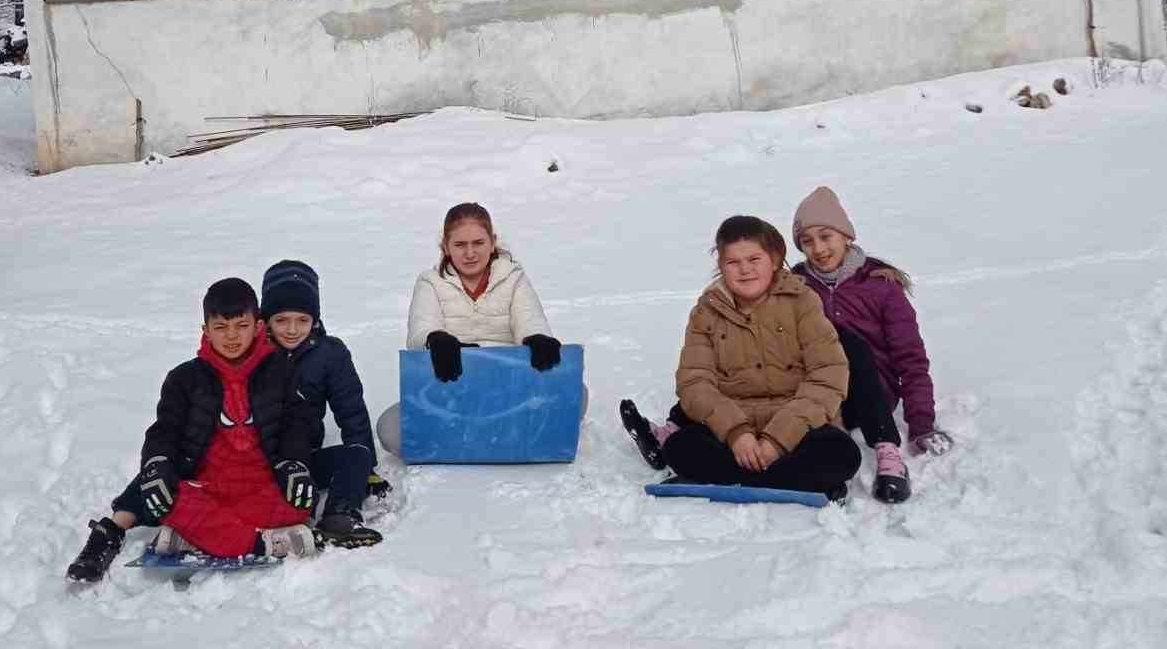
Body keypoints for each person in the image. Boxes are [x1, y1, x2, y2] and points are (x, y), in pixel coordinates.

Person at [65, 277, 322, 583]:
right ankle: (261, 543)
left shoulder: (280, 371)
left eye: (241, 326)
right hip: (208, 487)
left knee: (301, 503)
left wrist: (293, 463)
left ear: (258, 327)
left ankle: (195, 536)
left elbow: (295, 424)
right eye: (220, 327)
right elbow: (165, 430)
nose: (231, 336)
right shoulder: (184, 378)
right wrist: (157, 463)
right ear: (206, 331)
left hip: (260, 484)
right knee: (167, 498)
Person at [624, 216, 861, 502]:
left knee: (841, 454)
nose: (745, 269)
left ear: (774, 260)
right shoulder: (706, 312)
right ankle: (791, 480)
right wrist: (736, 434)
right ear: (721, 266)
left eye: (754, 259)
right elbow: (694, 382)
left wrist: (777, 440)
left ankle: (734, 477)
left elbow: (828, 374)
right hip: (731, 435)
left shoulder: (803, 301)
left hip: (796, 431)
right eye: (733, 262)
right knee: (680, 447)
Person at [376, 201, 565, 455]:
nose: (470, 253)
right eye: (460, 244)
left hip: (508, 388)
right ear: (445, 246)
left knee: (575, 393)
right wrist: (435, 338)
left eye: (478, 243)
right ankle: (493, 434)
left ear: (492, 241)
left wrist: (537, 337)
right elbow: (420, 328)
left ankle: (486, 433)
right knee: (389, 429)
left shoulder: (514, 278)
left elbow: (530, 318)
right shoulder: (430, 282)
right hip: (452, 389)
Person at [790, 187, 951, 483]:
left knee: (846, 343)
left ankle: (884, 451)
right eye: (807, 241)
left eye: (826, 236)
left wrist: (920, 423)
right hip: (816, 391)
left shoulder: (881, 286)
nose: (818, 248)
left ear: (846, 236)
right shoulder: (794, 286)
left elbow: (910, 358)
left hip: (871, 396)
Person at [258, 258, 385, 548]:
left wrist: (368, 468)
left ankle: (340, 514)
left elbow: (351, 411)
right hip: (259, 461)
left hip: (306, 456)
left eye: (302, 320)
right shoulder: (253, 353)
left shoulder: (330, 354)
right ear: (266, 320)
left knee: (358, 454)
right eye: (281, 320)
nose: (292, 330)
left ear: (315, 319)